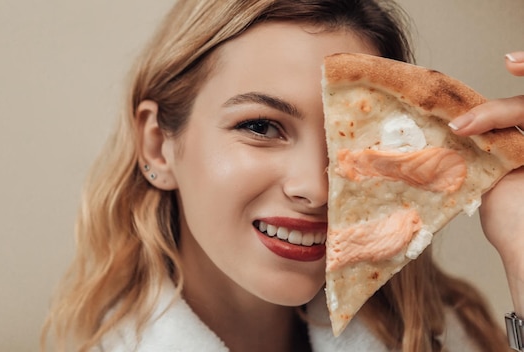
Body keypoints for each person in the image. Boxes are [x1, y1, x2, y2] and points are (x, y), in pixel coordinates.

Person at [42, 0, 524, 351]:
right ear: (158, 145)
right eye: (260, 127)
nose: (316, 188)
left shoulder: (452, 337)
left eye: (350, 138)